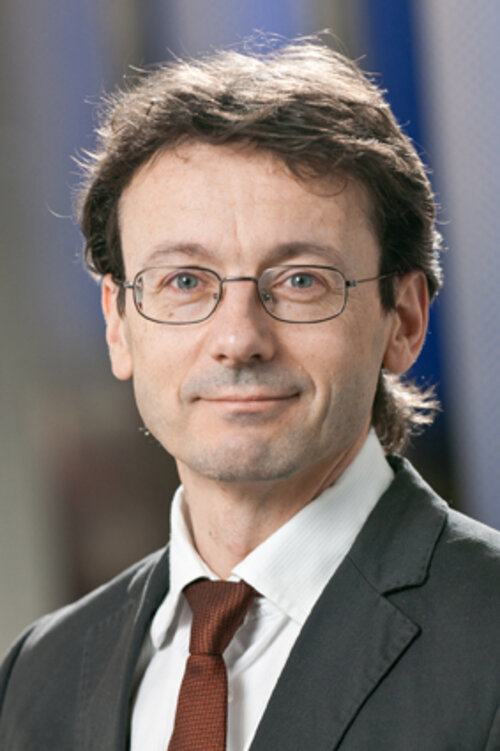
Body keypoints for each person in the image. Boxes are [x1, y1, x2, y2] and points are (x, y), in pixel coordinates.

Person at [1, 35, 500, 751]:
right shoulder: (36, 677)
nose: (239, 338)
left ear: (404, 320)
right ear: (118, 324)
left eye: (300, 281)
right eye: (183, 281)